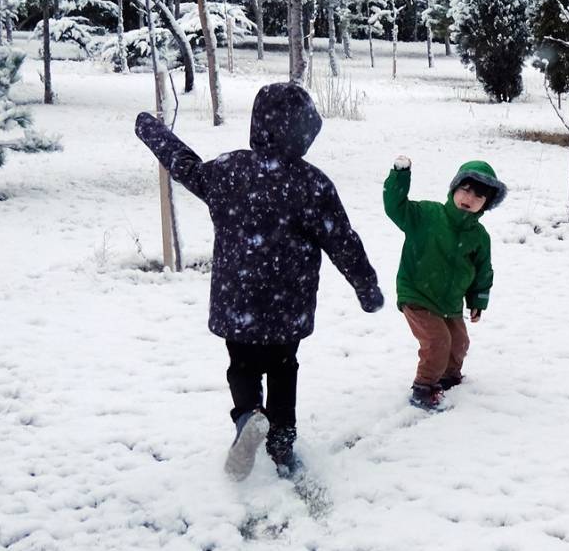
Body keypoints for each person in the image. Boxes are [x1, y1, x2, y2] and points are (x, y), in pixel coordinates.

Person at [135, 82, 384, 480]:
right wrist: (366, 286)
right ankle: (282, 446)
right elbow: (342, 241)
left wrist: (153, 131)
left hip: (239, 301)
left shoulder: (228, 170)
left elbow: (185, 166)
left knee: (243, 366)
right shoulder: (312, 184)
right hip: (289, 304)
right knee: (285, 368)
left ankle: (249, 414)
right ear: (304, 132)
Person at [383, 156, 507, 410]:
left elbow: (483, 271)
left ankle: (448, 378)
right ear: (454, 189)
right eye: (466, 189)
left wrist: (478, 300)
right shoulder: (427, 215)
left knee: (459, 343)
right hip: (417, 293)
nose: (469, 198)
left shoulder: (479, 237)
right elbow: (395, 207)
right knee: (438, 341)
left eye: (479, 196)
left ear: (485, 205)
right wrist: (400, 175)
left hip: (450, 302)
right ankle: (424, 387)